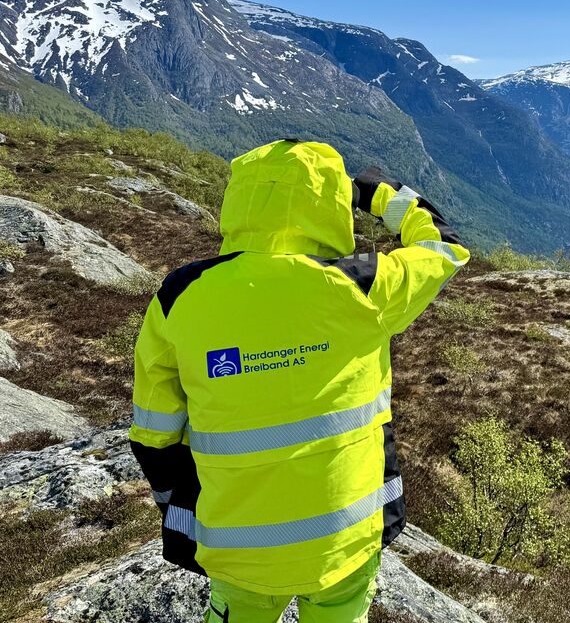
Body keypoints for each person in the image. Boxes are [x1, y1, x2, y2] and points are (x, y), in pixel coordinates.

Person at [128, 140, 469, 623]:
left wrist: (181, 513)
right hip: (343, 542)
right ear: (330, 206)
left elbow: (154, 434)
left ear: (240, 200)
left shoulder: (180, 296)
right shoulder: (365, 288)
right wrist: (381, 195)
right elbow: (444, 247)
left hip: (236, 550)